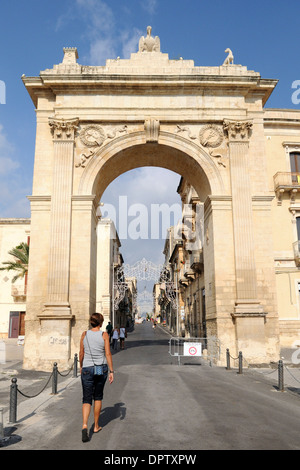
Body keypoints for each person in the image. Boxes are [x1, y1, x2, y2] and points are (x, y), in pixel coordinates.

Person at [79, 312, 114, 443]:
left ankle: (84, 425)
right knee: (97, 396)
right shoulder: (104, 335)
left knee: (86, 398)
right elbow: (108, 353)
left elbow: (81, 352)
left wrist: (81, 366)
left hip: (87, 368)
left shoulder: (84, 334)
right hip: (100, 368)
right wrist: (111, 371)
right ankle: (96, 426)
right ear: (100, 323)